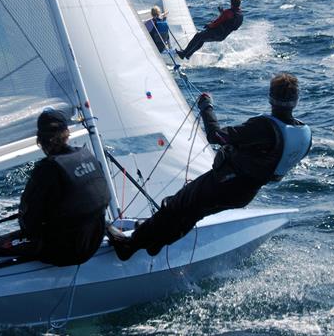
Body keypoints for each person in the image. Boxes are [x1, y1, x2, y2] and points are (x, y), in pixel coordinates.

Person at [106, 73, 312, 261]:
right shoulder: (303, 133)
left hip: (224, 184)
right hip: (245, 193)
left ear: (270, 97)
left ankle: (128, 245)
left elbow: (216, 136)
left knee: (176, 205)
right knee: (193, 213)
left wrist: (206, 107)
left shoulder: (263, 128)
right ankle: (155, 243)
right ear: (296, 100)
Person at [0, 111, 110, 265]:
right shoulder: (87, 156)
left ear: (39, 140)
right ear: (67, 134)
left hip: (67, 251)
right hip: (95, 238)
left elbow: (28, 222)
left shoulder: (47, 169)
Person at [177, 0, 243, 59]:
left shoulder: (228, 12)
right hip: (222, 36)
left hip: (216, 33)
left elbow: (217, 22)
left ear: (231, 4)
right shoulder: (240, 15)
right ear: (239, 5)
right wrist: (222, 13)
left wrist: (209, 25)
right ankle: (188, 54)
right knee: (201, 39)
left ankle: (184, 53)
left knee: (198, 36)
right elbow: (229, 22)